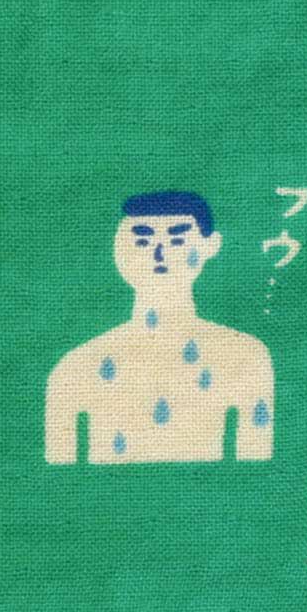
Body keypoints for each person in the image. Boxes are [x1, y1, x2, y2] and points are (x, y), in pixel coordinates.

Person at [45, 192, 274, 464]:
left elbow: (258, 464)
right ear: (119, 248)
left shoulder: (245, 358)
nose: (159, 254)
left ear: (210, 245)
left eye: (177, 240)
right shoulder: (76, 369)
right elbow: (57, 466)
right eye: (142, 241)